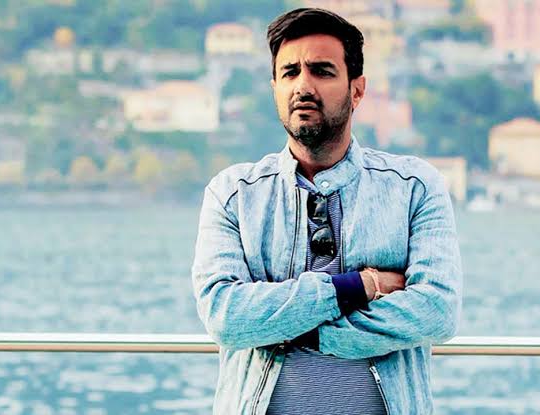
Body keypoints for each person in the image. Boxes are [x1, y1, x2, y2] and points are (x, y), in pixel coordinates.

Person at [191, 8, 462, 415]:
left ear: (357, 90)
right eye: (290, 73)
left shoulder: (414, 187)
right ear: (274, 89)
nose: (303, 86)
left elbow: (436, 311)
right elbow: (225, 316)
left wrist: (302, 332)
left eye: (322, 71)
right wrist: (359, 287)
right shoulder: (233, 194)